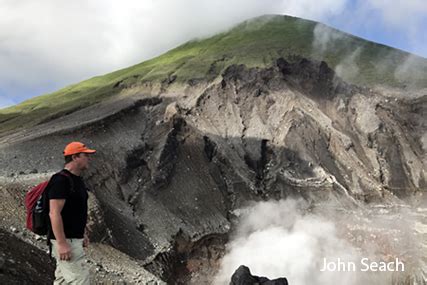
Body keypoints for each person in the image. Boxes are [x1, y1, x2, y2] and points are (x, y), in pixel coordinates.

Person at [48, 141, 96, 284]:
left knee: (62, 281)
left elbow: (75, 211)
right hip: (66, 241)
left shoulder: (76, 181)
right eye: (85, 155)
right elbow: (54, 213)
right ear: (75, 157)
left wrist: (82, 233)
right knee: (80, 280)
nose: (89, 158)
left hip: (72, 239)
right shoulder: (60, 181)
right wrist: (62, 243)